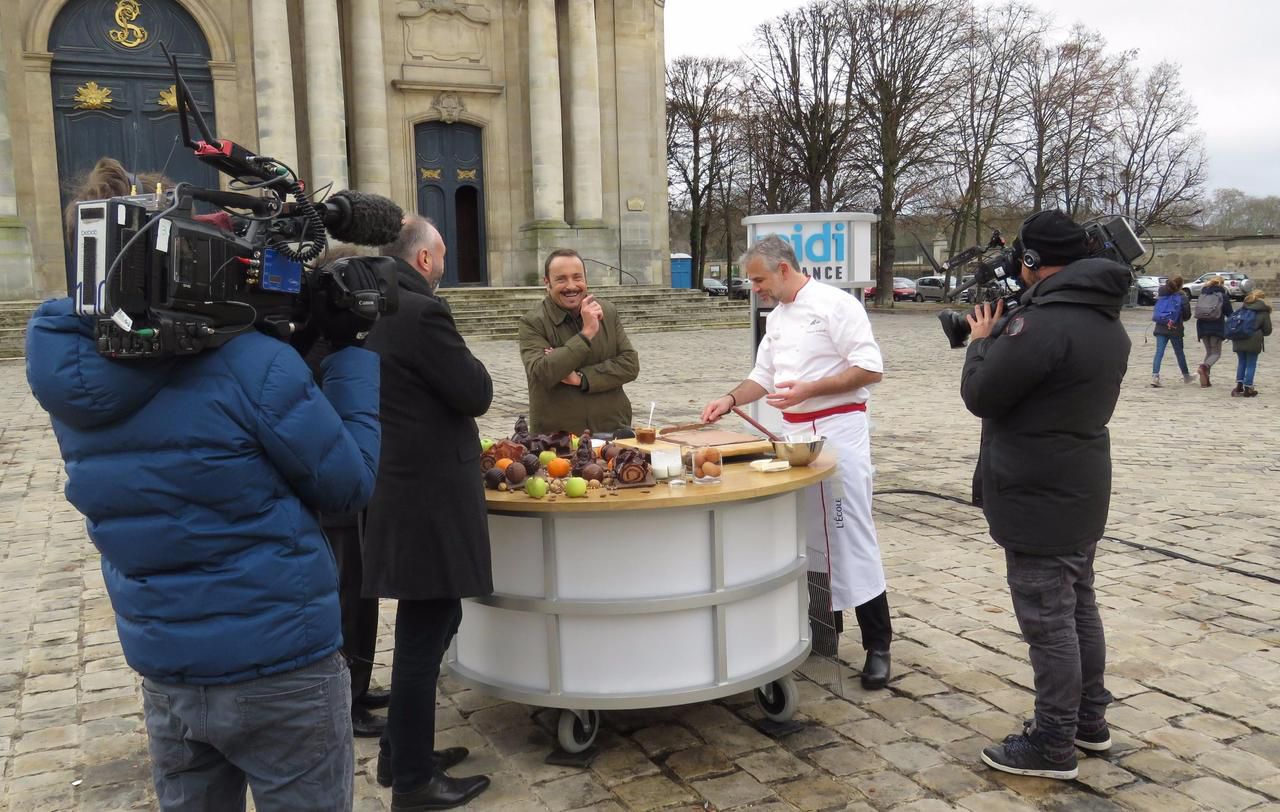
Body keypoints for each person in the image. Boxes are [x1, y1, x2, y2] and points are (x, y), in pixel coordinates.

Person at [28, 158, 383, 810]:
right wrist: (352, 354)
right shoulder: (253, 365)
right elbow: (347, 485)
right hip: (282, 669)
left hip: (169, 672)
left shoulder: (70, 377)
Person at [960, 209, 1131, 780]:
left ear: (1033, 262)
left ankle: (1053, 744)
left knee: (1048, 621)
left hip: (1037, 491)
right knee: (1078, 606)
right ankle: (1089, 722)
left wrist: (981, 342)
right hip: (1079, 486)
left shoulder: (1046, 324)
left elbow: (984, 395)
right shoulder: (1105, 319)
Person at [700, 235, 893, 690]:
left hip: (839, 433)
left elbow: (870, 368)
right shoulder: (778, 318)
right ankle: (818, 631)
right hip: (794, 436)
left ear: (783, 269)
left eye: (759, 279)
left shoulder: (836, 305)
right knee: (802, 533)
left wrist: (810, 389)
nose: (755, 289)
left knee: (851, 533)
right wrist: (729, 399)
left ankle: (878, 644)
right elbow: (762, 377)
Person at [361, 215, 494, 811]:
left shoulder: (371, 304)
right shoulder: (421, 312)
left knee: (432, 627)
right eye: (440, 255)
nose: (443, 265)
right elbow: (475, 391)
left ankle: (400, 752)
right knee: (423, 637)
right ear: (423, 261)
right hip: (428, 498)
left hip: (397, 486)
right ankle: (413, 783)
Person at [304, 245, 391, 740]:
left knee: (363, 593)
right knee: (347, 598)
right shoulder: (323, 345)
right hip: (334, 491)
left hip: (352, 486)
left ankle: (359, 682)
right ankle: (346, 699)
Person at [518, 248, 640, 434]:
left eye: (577, 277)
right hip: (558, 438)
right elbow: (542, 372)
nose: (571, 286)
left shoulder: (607, 312)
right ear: (547, 282)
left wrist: (581, 378)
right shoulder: (533, 322)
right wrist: (587, 333)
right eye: (561, 279)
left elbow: (630, 365)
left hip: (613, 429)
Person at [1229, 289, 1272, 398]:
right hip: (1253, 340)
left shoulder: (1243, 307)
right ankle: (1248, 387)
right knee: (1251, 363)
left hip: (1239, 337)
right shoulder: (1263, 311)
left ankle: (1239, 385)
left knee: (1242, 361)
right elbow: (1267, 330)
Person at [1150, 275, 1192, 387]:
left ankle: (1155, 376)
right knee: (1179, 353)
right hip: (1175, 328)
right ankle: (1186, 376)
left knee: (1159, 352)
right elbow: (1187, 315)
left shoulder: (1162, 295)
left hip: (1160, 326)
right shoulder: (1182, 297)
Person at [1193, 275, 1233, 387]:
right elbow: (1230, 313)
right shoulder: (1222, 295)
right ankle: (1203, 367)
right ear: (1222, 284)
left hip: (1202, 326)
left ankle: (1205, 380)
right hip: (1216, 326)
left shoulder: (1203, 294)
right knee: (1216, 353)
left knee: (1209, 352)